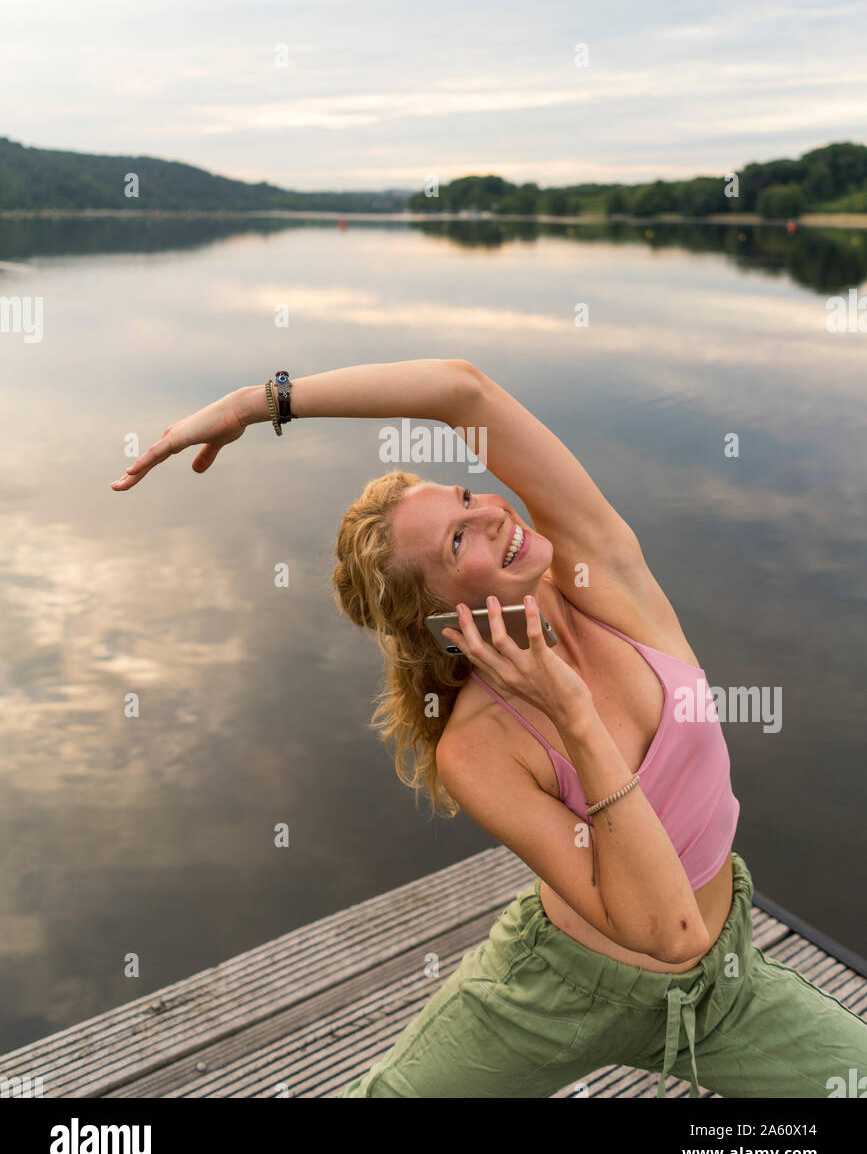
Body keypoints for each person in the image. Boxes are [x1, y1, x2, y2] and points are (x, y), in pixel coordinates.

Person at [111, 357, 867, 1098]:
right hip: (560, 993)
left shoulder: (597, 571)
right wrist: (571, 715)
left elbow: (460, 389)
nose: (491, 514)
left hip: (725, 985)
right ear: (441, 620)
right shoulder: (476, 747)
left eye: (467, 495)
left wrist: (258, 402)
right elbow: (666, 933)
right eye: (456, 543)